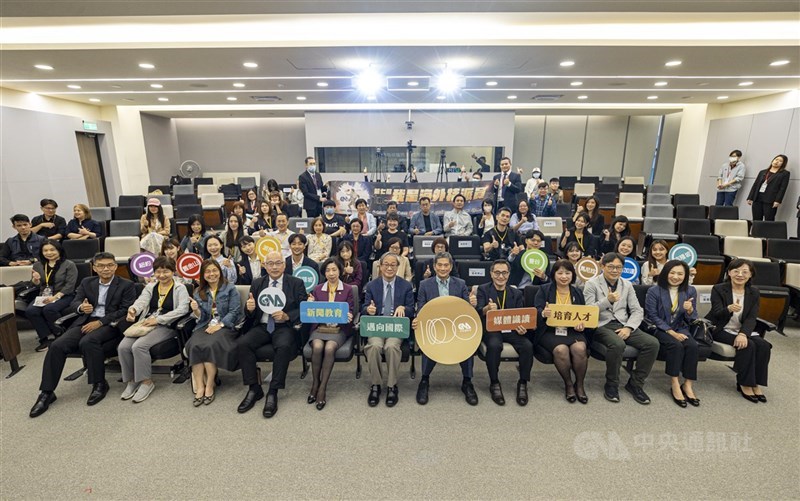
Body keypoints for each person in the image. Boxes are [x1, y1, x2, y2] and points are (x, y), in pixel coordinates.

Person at [29, 252, 137, 418]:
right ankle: (47, 392)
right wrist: (81, 308)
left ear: (115, 266)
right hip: (86, 321)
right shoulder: (87, 282)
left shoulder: (127, 285)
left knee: (89, 341)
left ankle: (99, 383)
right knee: (57, 345)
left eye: (109, 265)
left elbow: (124, 310)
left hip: (110, 324)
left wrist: (100, 322)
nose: (106, 269)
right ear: (94, 268)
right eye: (101, 266)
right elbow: (75, 302)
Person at [236, 250, 307, 418]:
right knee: (242, 344)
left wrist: (288, 315)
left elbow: (303, 307)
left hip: (284, 326)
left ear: (284, 264)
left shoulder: (296, 282)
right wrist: (249, 308)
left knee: (283, 346)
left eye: (278, 263)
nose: (274, 267)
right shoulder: (258, 283)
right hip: (262, 325)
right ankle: (254, 388)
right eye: (270, 263)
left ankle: (273, 391)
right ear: (264, 266)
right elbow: (250, 312)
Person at [584, 253, 660, 404]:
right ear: (602, 266)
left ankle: (635, 384)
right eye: (611, 267)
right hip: (601, 325)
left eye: (618, 267)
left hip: (624, 324)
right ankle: (611, 384)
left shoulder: (627, 284)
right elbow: (588, 311)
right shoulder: (591, 284)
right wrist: (607, 301)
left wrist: (629, 328)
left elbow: (637, 310)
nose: (615, 270)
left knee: (652, 343)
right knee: (618, 344)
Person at [119, 256, 190, 403]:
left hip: (166, 325)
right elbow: (141, 302)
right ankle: (132, 380)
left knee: (139, 346)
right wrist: (133, 310)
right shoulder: (151, 286)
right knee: (123, 347)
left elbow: (182, 310)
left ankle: (146, 382)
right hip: (146, 323)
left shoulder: (180, 288)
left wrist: (157, 320)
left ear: (173, 272)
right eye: (158, 272)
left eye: (165, 272)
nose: (162, 275)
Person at [413, 252, 479, 406]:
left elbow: (466, 310)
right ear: (435, 267)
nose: (443, 268)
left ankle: (467, 382)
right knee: (429, 341)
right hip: (434, 327)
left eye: (446, 265)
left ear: (451, 267)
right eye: (440, 265)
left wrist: (472, 304)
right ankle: (424, 380)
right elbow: (421, 308)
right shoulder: (425, 285)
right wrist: (418, 319)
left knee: (467, 343)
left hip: (456, 326)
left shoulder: (460, 283)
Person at [706, 259, 771, 403]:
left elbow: (752, 317)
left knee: (764, 345)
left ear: (750, 275)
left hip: (741, 329)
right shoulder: (718, 289)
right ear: (729, 273)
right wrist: (728, 309)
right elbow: (716, 314)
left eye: (744, 272)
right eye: (736, 271)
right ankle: (744, 383)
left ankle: (756, 383)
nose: (740, 274)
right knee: (748, 345)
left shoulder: (754, 292)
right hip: (720, 328)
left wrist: (743, 333)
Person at [477, 260, 534, 406]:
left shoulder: (516, 292)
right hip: (492, 329)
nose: (500, 276)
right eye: (497, 273)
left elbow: (521, 315)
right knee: (495, 346)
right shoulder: (483, 289)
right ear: (491, 274)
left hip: (512, 329)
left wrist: (523, 328)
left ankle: (522, 383)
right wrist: (486, 309)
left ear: (508, 275)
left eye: (504, 273)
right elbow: (476, 312)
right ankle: (494, 382)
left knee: (527, 346)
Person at [186, 259, 242, 406]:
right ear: (203, 275)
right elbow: (202, 317)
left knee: (209, 345)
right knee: (195, 345)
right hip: (205, 325)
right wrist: (196, 310)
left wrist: (221, 324)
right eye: (208, 272)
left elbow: (235, 311)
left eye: (214, 270)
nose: (212, 274)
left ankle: (210, 385)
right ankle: (200, 387)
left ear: (220, 271)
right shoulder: (199, 291)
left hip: (226, 326)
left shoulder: (230, 288)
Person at [644, 260, 700, 408]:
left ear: (685, 275)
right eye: (672, 273)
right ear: (666, 273)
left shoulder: (690, 290)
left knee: (693, 346)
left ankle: (688, 384)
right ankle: (675, 383)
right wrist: (671, 333)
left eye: (680, 274)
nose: (676, 276)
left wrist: (689, 310)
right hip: (660, 328)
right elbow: (651, 316)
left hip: (680, 327)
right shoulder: (654, 291)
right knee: (676, 345)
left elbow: (692, 318)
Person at [533, 260, 589, 404]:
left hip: (572, 331)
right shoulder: (544, 290)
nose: (564, 276)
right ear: (554, 275)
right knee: (561, 350)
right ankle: (569, 384)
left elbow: (582, 314)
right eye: (560, 273)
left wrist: (581, 325)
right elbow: (536, 311)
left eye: (567, 273)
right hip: (550, 331)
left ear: (572, 275)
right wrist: (543, 313)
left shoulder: (577, 292)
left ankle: (580, 385)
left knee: (580, 348)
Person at [363, 252, 415, 407]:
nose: (390, 268)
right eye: (386, 264)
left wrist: (403, 308)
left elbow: (412, 310)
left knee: (391, 347)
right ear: (380, 266)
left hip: (395, 327)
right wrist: (369, 310)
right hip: (377, 326)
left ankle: (392, 386)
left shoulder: (406, 286)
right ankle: (376, 385)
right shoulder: (372, 285)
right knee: (374, 346)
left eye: (393, 265)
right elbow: (365, 307)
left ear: (398, 267)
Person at [306, 258, 355, 410]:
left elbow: (351, 310)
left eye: (334, 270)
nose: (331, 273)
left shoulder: (348, 289)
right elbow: (311, 313)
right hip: (320, 328)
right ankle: (315, 383)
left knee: (329, 348)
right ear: (324, 273)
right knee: (318, 346)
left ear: (340, 271)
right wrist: (310, 305)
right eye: (328, 270)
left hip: (338, 329)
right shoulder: (317, 289)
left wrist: (350, 315)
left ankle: (322, 388)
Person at [26, 241, 78, 352]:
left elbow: (70, 286)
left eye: (52, 250)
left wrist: (55, 298)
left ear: (59, 250)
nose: (49, 253)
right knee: (31, 311)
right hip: (44, 295)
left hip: (64, 295)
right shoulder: (38, 265)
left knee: (49, 309)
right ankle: (46, 337)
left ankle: (60, 333)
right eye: (45, 250)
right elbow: (37, 285)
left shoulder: (69, 264)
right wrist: (35, 280)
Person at [747, 154, 790, 221]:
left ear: (783, 163)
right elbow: (755, 185)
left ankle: (768, 232)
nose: (777, 161)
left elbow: (783, 188)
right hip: (757, 198)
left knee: (769, 219)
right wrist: (750, 197)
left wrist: (778, 200)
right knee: (756, 219)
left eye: (780, 161)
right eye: (776, 159)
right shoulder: (762, 172)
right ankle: (756, 231)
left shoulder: (785, 174)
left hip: (770, 200)